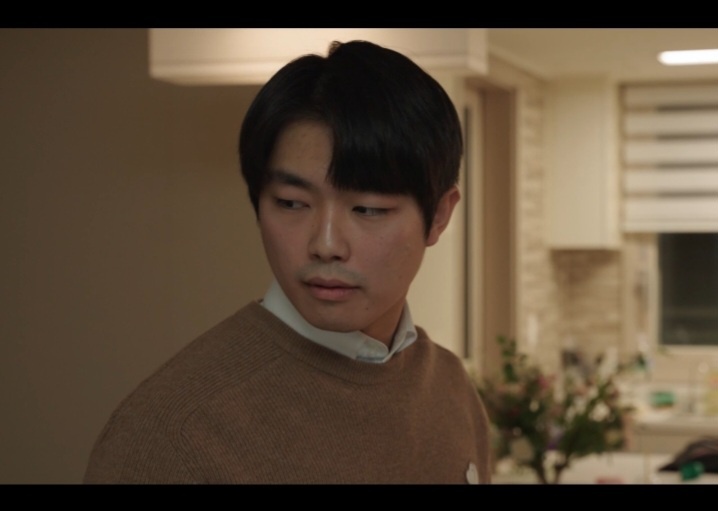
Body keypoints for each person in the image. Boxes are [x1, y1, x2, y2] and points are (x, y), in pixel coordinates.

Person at [83, 40, 492, 484]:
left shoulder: (451, 388)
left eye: (368, 209)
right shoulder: (175, 433)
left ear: (439, 216)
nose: (326, 245)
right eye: (292, 203)